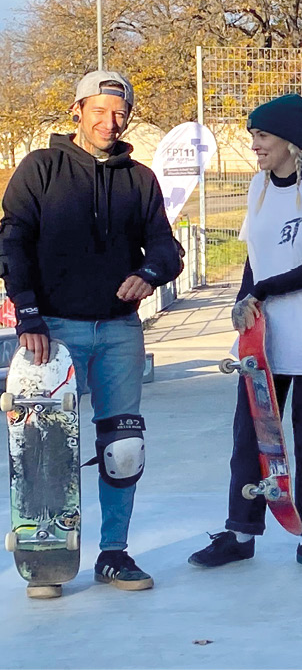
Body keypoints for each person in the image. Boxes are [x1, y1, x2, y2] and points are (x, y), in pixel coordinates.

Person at [0, 70, 183, 598]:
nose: (110, 121)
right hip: (51, 334)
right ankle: (47, 556)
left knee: (123, 448)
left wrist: (149, 275)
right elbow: (12, 242)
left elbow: (167, 249)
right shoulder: (41, 169)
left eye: (120, 112)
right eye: (99, 111)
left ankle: (114, 553)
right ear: (77, 111)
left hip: (120, 332)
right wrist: (29, 315)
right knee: (42, 448)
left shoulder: (139, 178)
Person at [188, 94, 302, 573]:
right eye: (253, 136)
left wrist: (263, 289)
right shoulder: (258, 188)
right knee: (251, 436)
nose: (254, 145)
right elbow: (253, 257)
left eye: (262, 136)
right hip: (266, 341)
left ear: (289, 141)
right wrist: (244, 301)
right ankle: (240, 532)